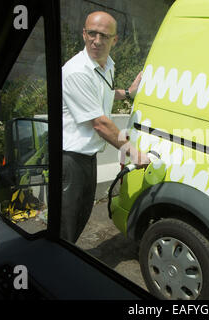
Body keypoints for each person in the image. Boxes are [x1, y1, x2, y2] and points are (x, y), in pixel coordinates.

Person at [61, 11, 149, 243]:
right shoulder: (76, 71)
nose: (96, 41)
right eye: (92, 33)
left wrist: (129, 92)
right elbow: (100, 123)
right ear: (84, 34)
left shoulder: (106, 64)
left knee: (81, 216)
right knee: (66, 225)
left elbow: (104, 93)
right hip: (70, 159)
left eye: (104, 36)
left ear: (114, 40)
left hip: (87, 157)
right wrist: (133, 152)